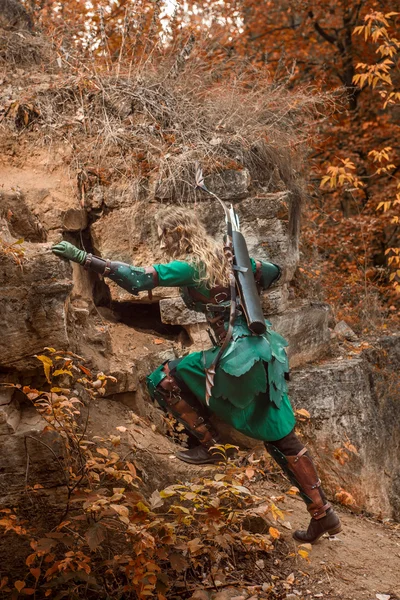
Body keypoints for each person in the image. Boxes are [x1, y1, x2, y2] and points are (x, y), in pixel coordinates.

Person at [52, 206, 342, 544]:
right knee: (282, 440)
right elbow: (274, 273)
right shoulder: (227, 260)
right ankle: (324, 514)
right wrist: (244, 262)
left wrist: (83, 258)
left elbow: (137, 279)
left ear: (175, 236)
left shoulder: (193, 265)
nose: (162, 245)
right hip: (266, 353)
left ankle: (210, 445)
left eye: (163, 238)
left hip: (236, 358)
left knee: (162, 379)